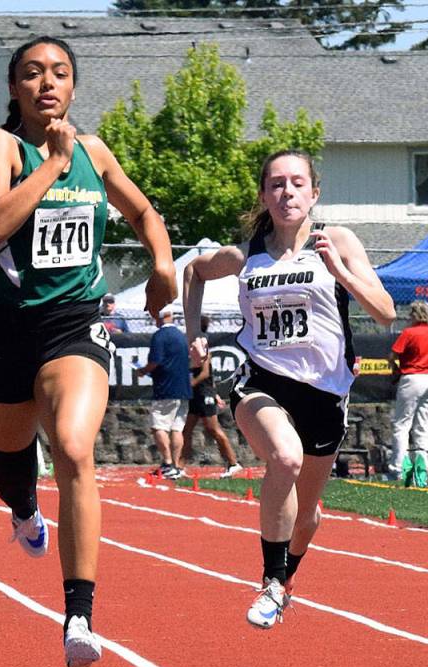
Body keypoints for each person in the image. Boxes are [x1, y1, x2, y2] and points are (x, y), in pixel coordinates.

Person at [0, 36, 175, 667]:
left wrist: (163, 264)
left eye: (59, 73)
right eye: (32, 74)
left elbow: (143, 211)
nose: (46, 83)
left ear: (74, 86)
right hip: (6, 333)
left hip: (74, 325)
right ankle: (25, 507)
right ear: (14, 89)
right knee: (11, 474)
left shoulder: (93, 151)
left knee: (75, 446)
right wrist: (51, 166)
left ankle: (79, 614)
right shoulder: (2, 146)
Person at [183, 149, 394, 630]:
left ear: (314, 193)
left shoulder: (338, 241)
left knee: (307, 517)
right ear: (263, 195)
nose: (287, 192)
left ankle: (288, 577)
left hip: (325, 394)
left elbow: (384, 311)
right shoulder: (246, 255)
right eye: (276, 184)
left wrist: (341, 273)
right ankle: (272, 583)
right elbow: (194, 271)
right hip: (262, 382)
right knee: (284, 457)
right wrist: (192, 332)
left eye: (297, 183)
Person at [177, 315, 242, 478]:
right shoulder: (194, 345)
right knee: (187, 430)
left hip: (203, 393)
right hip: (197, 394)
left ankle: (233, 463)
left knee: (213, 429)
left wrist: (191, 384)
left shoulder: (202, 344)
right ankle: (180, 465)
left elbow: (206, 372)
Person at [387, 300, 428, 486]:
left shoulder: (409, 332)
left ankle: (398, 469)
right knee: (423, 426)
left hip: (412, 377)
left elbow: (393, 355)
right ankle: (421, 471)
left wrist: (395, 368)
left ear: (413, 315)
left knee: (402, 425)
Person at [135, 307, 192, 480]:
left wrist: (143, 371)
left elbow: (155, 360)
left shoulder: (160, 336)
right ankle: (175, 465)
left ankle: (167, 462)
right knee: (177, 429)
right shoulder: (181, 336)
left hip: (166, 388)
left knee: (158, 426)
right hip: (183, 388)